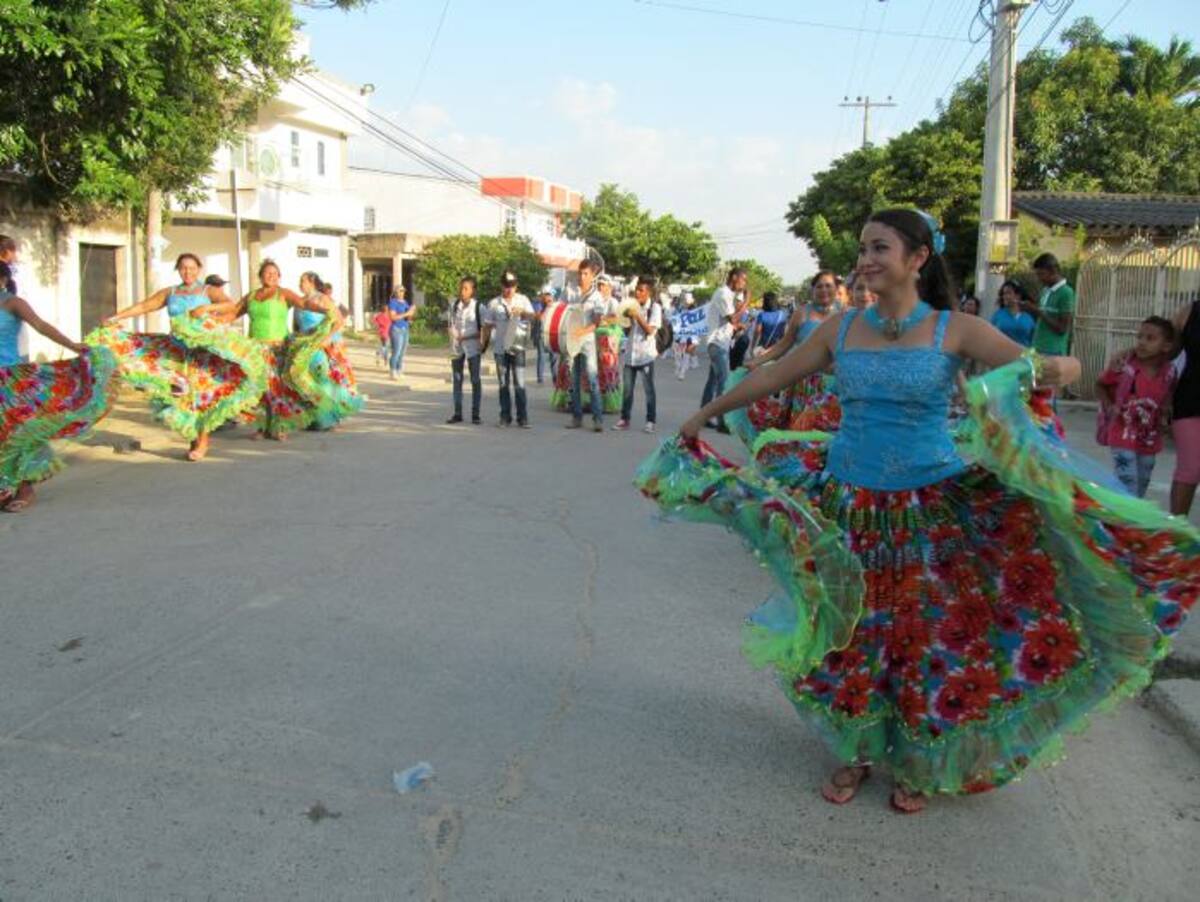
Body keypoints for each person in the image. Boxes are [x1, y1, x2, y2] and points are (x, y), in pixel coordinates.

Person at [638, 207, 1199, 814]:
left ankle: (916, 761)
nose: (866, 260)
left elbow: (1062, 368)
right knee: (850, 636)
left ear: (918, 258)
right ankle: (853, 751)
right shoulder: (841, 330)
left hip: (932, 510)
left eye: (879, 248)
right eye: (862, 250)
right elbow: (772, 376)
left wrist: (1038, 373)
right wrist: (703, 414)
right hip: (847, 507)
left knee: (922, 639)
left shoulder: (953, 330)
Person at [92, 252, 267, 461]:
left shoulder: (207, 290)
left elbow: (231, 305)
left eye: (192, 268)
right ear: (178, 269)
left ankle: (202, 441)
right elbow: (144, 306)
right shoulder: (171, 292)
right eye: (183, 268)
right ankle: (193, 440)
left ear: (199, 269)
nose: (188, 272)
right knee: (180, 397)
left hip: (203, 353)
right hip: (176, 352)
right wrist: (115, 317)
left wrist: (206, 307)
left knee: (200, 396)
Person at [0, 262, 118, 512]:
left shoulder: (13, 303)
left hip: (9, 380)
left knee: (19, 433)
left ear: (2, 279)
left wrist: (73, 346)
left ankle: (24, 487)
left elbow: (41, 326)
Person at [207, 259, 330, 440]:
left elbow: (303, 304)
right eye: (267, 273)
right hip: (255, 349)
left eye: (275, 273)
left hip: (278, 348)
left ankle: (280, 426)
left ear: (279, 277)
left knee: (278, 387)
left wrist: (322, 309)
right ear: (260, 276)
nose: (271, 276)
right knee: (260, 388)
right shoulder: (251, 296)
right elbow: (233, 313)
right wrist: (213, 321)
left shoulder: (283, 294)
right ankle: (262, 426)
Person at [1096, 316, 1176, 498]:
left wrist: (1165, 415)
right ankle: (1123, 522)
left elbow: (1169, 393)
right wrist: (1109, 406)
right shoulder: (1124, 367)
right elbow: (1100, 384)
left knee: (1142, 482)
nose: (1142, 342)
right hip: (1121, 432)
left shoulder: (1169, 372)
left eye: (1150, 338)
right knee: (1128, 481)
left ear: (1166, 346)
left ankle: (1125, 519)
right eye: (1140, 337)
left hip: (1149, 437)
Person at [289, 272, 363, 431]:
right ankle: (314, 415)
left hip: (324, 346)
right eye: (300, 281)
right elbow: (296, 326)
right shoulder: (299, 302)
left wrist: (327, 338)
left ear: (312, 282)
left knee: (324, 379)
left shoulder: (322, 299)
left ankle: (329, 416)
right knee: (307, 381)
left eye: (303, 281)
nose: (300, 284)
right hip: (305, 346)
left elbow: (339, 321)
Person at [481, 270, 534, 428]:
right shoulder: (494, 303)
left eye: (511, 286)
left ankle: (522, 418)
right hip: (500, 349)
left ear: (516, 286)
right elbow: (487, 326)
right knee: (503, 384)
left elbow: (533, 316)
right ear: (501, 286)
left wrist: (522, 313)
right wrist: (483, 345)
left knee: (520, 383)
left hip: (518, 348)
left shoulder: (523, 300)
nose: (509, 289)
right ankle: (505, 417)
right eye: (506, 286)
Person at [700, 267, 749, 433]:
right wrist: (747, 302)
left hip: (721, 342)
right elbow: (733, 318)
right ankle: (722, 422)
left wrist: (738, 326)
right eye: (743, 280)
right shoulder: (723, 293)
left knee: (712, 382)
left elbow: (731, 321)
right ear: (734, 277)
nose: (744, 284)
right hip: (717, 344)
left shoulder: (728, 295)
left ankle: (704, 416)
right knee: (724, 382)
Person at [614, 275, 662, 433]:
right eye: (637, 289)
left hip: (645, 355)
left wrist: (637, 316)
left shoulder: (655, 308)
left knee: (649, 390)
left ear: (648, 292)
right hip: (630, 355)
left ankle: (650, 421)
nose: (638, 293)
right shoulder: (631, 306)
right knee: (627, 389)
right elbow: (625, 328)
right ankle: (624, 418)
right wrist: (626, 317)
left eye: (641, 290)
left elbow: (650, 331)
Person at [566, 259, 607, 432]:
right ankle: (577, 417)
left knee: (592, 380)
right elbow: (560, 311)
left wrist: (581, 332)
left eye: (586, 274)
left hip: (587, 342)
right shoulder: (569, 291)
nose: (582, 277)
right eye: (580, 273)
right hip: (571, 341)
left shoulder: (597, 297)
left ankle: (597, 419)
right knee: (574, 381)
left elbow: (597, 322)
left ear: (592, 275)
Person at [1169, 296, 1200, 516]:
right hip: (1191, 400)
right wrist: (1129, 355)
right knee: (1190, 470)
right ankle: (1176, 535)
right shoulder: (1189, 311)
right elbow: (1164, 348)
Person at [447, 276, 484, 425]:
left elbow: (483, 330)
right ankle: (457, 413)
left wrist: (466, 337)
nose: (462, 291)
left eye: (466, 288)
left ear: (473, 290)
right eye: (461, 288)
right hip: (457, 348)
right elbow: (450, 324)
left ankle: (476, 414)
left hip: (473, 348)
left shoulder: (479, 307)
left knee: (475, 380)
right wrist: (453, 333)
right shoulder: (454, 305)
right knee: (457, 380)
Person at [1027, 253, 1076, 357]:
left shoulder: (1066, 293)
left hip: (1053, 351)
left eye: (1041, 274)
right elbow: (1043, 319)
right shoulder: (1045, 291)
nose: (1039, 278)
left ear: (1053, 272)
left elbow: (1062, 329)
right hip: (1037, 347)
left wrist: (1039, 312)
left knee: (1047, 373)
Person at [595, 274, 625, 414]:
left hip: (608, 342)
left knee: (608, 371)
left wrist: (603, 319)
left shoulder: (613, 302)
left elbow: (616, 318)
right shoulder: (595, 300)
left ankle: (610, 403)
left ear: (609, 287)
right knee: (594, 371)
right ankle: (594, 401)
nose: (601, 287)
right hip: (595, 340)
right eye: (599, 285)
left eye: (603, 285)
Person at [990, 279, 1035, 347]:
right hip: (1001, 355)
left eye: (1008, 293)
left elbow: (1033, 342)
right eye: (1004, 294)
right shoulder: (997, 316)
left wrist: (1035, 357)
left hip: (1024, 356)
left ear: (1018, 296)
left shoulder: (1028, 318)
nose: (1005, 296)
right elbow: (990, 337)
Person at [387, 287, 415, 380]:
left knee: (402, 352)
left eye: (403, 290)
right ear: (396, 292)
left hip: (405, 328)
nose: (402, 292)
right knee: (396, 351)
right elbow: (393, 317)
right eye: (400, 290)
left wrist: (411, 313)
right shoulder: (393, 302)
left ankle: (399, 370)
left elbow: (408, 316)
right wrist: (407, 313)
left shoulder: (405, 302)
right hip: (396, 329)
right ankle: (393, 371)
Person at [532, 289, 553, 384]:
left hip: (552, 334)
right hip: (541, 334)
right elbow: (539, 318)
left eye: (550, 300)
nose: (549, 302)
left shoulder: (554, 307)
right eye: (547, 300)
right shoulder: (539, 307)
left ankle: (555, 377)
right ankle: (540, 378)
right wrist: (546, 308)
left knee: (554, 357)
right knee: (542, 356)